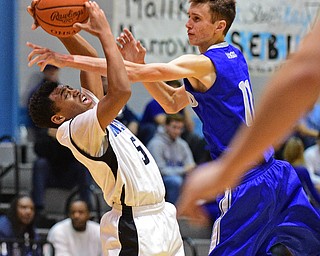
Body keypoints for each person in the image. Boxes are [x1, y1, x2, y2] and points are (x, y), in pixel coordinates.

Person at [25, 0, 320, 254]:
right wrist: (65, 34)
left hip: (241, 182)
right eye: (188, 16)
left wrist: (67, 52)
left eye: (196, 18)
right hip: (273, 174)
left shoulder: (202, 64)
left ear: (219, 25)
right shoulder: (233, 55)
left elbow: (140, 80)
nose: (188, 24)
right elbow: (166, 100)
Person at [27, 1, 184, 255]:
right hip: (135, 224)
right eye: (66, 94)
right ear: (58, 118)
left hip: (161, 215)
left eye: (70, 88)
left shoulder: (92, 111)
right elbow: (122, 90)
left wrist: (57, 27)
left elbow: (89, 61)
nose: (74, 90)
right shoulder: (76, 130)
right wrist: (105, 33)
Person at [31, 127, 93, 214]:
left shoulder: (75, 127)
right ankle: (38, 207)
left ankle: (86, 205)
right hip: (51, 175)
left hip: (70, 175)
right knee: (40, 164)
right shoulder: (47, 129)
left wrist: (63, 138)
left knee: (83, 164)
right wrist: (50, 137)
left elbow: (81, 152)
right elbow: (38, 151)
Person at [147, 114, 196, 205]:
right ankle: (174, 212)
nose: (177, 131)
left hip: (177, 175)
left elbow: (191, 165)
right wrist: (184, 170)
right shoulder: (155, 144)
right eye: (174, 127)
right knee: (175, 181)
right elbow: (160, 171)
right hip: (159, 180)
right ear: (166, 126)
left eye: (180, 128)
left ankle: (191, 212)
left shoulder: (182, 144)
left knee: (196, 179)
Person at [283, 136, 320, 208]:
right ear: (301, 152)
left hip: (285, 207)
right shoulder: (301, 170)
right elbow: (312, 192)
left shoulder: (282, 167)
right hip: (301, 207)